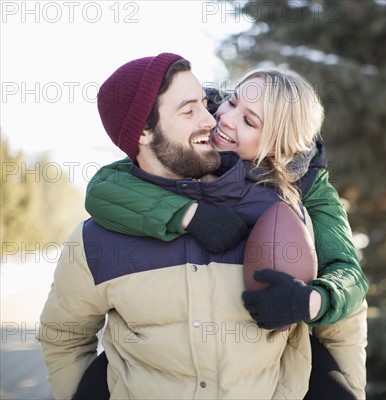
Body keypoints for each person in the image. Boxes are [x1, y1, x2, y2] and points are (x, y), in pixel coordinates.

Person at [38, 53, 314, 399]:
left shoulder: (278, 211)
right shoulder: (95, 239)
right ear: (143, 131)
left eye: (204, 103)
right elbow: (63, 338)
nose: (212, 119)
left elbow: (312, 333)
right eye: (189, 111)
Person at [83, 67, 369, 398]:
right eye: (232, 102)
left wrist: (309, 301)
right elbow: (106, 186)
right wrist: (189, 214)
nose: (226, 119)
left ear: (277, 146)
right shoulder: (198, 131)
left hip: (272, 344)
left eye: (250, 121)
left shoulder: (308, 185)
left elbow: (349, 273)